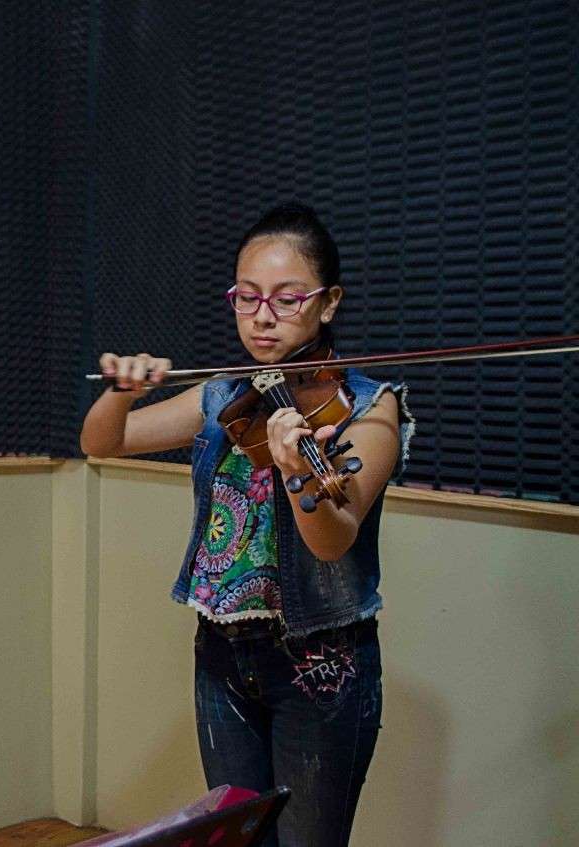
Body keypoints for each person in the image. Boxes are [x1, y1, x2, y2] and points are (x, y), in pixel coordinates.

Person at [80, 203, 413, 846]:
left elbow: (332, 537)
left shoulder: (371, 407)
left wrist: (295, 470)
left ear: (328, 302)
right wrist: (120, 391)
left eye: (287, 299)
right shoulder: (223, 398)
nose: (262, 317)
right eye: (247, 296)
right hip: (222, 653)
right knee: (236, 837)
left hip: (321, 664)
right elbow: (104, 441)